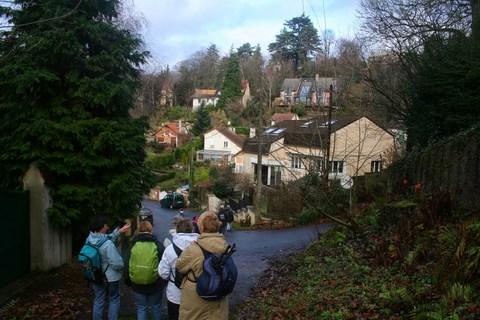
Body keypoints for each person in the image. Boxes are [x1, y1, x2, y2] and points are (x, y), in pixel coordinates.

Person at [176, 211, 229, 320]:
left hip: (196, 298)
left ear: (200, 227)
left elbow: (179, 266)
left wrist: (188, 250)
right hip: (219, 297)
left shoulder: (194, 249)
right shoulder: (225, 247)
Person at [86, 215, 130, 320]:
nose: (108, 227)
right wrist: (122, 267)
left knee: (98, 300)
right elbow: (116, 263)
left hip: (95, 275)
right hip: (111, 278)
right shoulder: (108, 244)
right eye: (106, 225)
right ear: (101, 227)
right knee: (114, 299)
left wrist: (118, 231)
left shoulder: (89, 239)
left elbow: (106, 238)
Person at [124, 221, 166, 320]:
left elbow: (127, 265)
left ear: (138, 231)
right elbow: (164, 265)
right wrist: (163, 281)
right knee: (156, 307)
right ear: (151, 230)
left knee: (141, 308)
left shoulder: (133, 245)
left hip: (137, 284)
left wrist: (128, 281)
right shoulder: (158, 245)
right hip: (155, 284)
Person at [158, 219, 199, 320]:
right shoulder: (200, 246)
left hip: (175, 295)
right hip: (196, 294)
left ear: (177, 231)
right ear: (192, 230)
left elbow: (163, 273)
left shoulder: (170, 249)